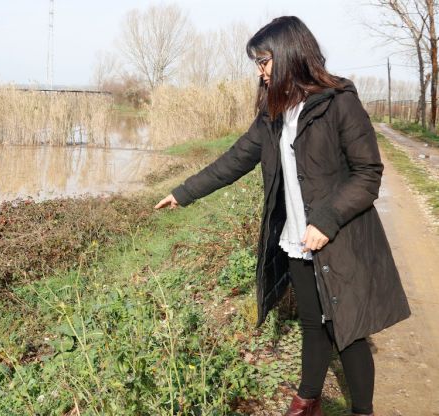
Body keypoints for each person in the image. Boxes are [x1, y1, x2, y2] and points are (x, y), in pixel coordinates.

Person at [154, 16, 411, 416]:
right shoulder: (274, 115)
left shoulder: (339, 102)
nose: (260, 71)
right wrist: (183, 192)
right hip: (296, 236)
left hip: (339, 235)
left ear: (291, 54)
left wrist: (326, 221)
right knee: (312, 322)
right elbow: (234, 159)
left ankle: (363, 410)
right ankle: (308, 401)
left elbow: (368, 174)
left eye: (264, 61)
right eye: (258, 63)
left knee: (349, 331)